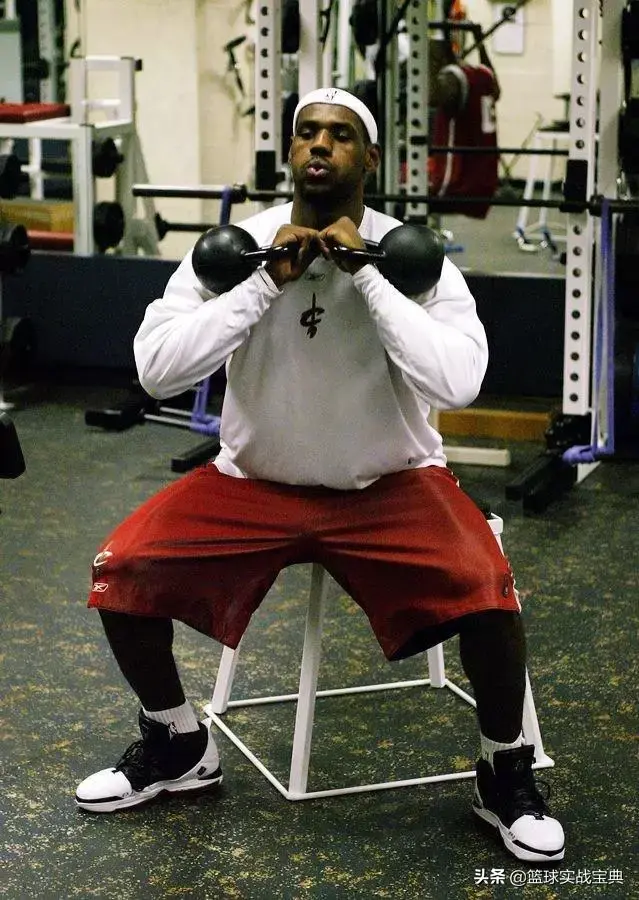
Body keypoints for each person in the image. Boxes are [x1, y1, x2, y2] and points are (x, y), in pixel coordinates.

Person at [75, 87, 564, 864]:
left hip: (389, 485)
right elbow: (156, 370)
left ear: (369, 159)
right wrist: (263, 282)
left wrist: (366, 275)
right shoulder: (239, 247)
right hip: (252, 484)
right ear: (290, 150)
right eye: (307, 132)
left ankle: (502, 770)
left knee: (486, 588)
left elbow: (458, 382)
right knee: (122, 568)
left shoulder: (410, 255)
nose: (320, 145)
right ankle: (177, 743)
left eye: (339, 134)